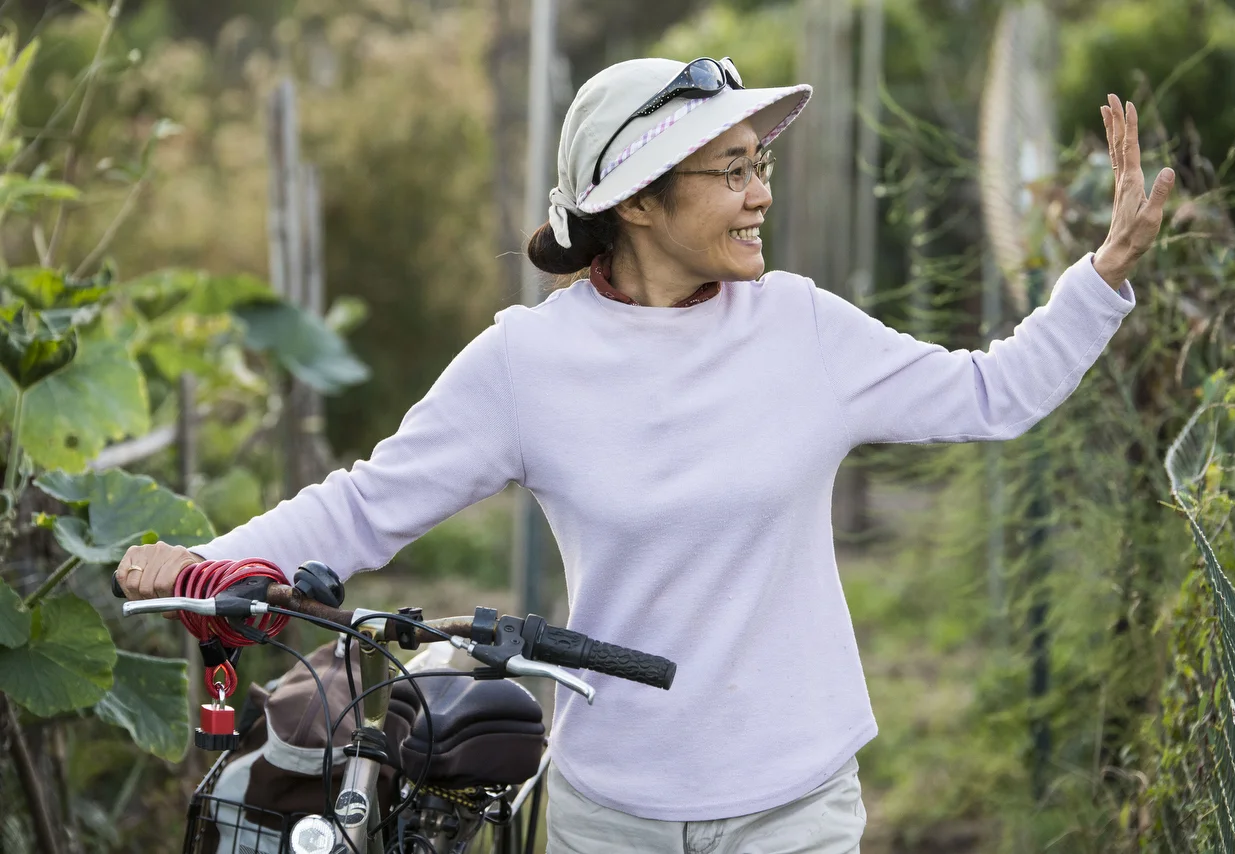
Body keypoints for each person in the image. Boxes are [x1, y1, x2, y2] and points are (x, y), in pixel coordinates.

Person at [117, 57, 1172, 852]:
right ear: (636, 198)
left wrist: (1101, 274)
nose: (760, 192)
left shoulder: (801, 328)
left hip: (792, 803)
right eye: (729, 170)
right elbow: (365, 505)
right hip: (606, 808)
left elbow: (991, 394)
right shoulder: (525, 362)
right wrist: (200, 559)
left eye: (758, 165)